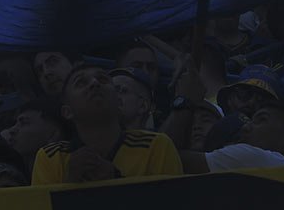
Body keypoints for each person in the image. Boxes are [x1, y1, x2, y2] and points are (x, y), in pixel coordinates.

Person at [30, 65, 181, 185]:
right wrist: (71, 182)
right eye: (81, 82)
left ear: (119, 102)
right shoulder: (50, 157)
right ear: (67, 111)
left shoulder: (156, 146)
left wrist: (117, 180)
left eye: (103, 79)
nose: (95, 83)